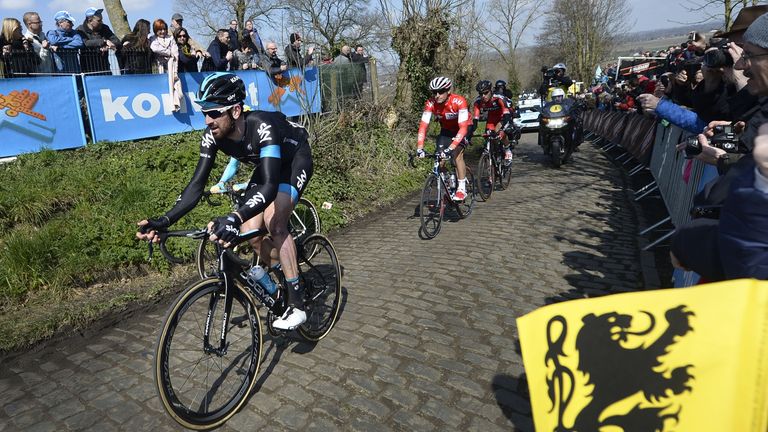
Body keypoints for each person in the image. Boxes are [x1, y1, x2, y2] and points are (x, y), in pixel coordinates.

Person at [136, 73, 314, 330]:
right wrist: (164, 220)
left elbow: (270, 185)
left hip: (295, 159)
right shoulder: (212, 136)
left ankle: (297, 304)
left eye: (214, 113)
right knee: (250, 233)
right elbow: (196, 186)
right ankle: (284, 275)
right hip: (268, 168)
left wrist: (234, 215)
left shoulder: (262, 125)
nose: (207, 120)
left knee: (274, 222)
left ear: (236, 110)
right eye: (204, 113)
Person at [416, 76, 472, 201]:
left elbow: (463, 128)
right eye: (434, 92)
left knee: (457, 154)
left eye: (441, 91)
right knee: (439, 159)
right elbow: (423, 126)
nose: (437, 95)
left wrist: (451, 147)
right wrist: (420, 147)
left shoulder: (459, 101)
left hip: (463, 128)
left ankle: (461, 189)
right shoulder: (430, 103)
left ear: (448, 91)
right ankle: (449, 179)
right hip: (446, 131)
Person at [469, 80, 514, 163]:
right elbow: (475, 120)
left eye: (486, 93)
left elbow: (507, 115)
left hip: (503, 116)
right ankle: (493, 154)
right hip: (492, 119)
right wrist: (469, 133)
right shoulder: (478, 102)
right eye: (480, 93)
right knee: (488, 134)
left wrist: (502, 130)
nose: (483, 96)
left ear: (491, 91)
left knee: (498, 132)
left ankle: (507, 149)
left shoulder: (499, 98)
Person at [76, 7, 119, 74]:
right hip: (88, 69)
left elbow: (116, 41)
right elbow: (85, 43)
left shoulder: (104, 28)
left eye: (101, 20)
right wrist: (104, 41)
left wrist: (107, 46)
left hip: (105, 67)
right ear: (90, 21)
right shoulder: (80, 30)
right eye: (99, 20)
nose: (101, 22)